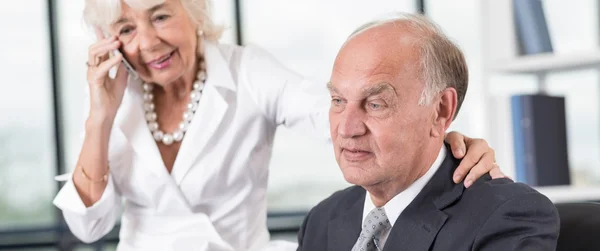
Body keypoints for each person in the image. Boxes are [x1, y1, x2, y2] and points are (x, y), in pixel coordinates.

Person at [53, 1, 505, 250]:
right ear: (110, 41)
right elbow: (89, 228)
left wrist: (436, 136)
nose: (148, 42)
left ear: (193, 12)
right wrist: (100, 114)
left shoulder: (247, 71)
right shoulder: (114, 99)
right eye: (126, 29)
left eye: (161, 15)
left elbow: (342, 116)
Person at [296, 13, 561, 251]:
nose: (346, 128)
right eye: (338, 101)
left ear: (441, 110)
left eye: (376, 104)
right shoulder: (322, 220)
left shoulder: (508, 216)